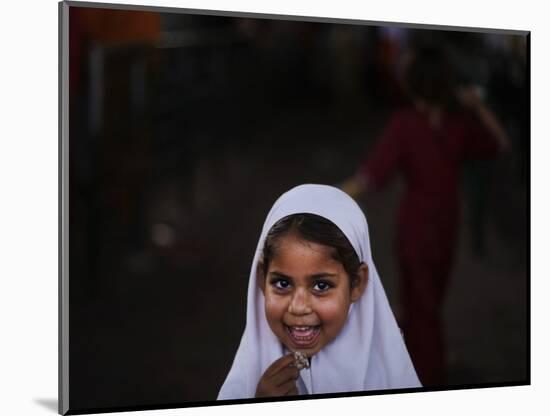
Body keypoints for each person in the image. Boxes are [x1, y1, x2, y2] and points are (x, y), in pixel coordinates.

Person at [340, 46, 511, 386]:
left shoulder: (405, 124)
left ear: (414, 83)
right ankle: (415, 357)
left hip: (415, 231)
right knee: (427, 304)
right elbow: (500, 143)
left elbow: (370, 177)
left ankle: (426, 375)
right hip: (447, 230)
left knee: (422, 309)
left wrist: (331, 194)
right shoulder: (460, 124)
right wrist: (477, 107)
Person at [217, 184, 421, 400]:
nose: (298, 306)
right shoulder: (248, 381)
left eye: (321, 286)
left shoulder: (390, 379)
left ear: (357, 283)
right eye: (282, 284)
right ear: (261, 279)